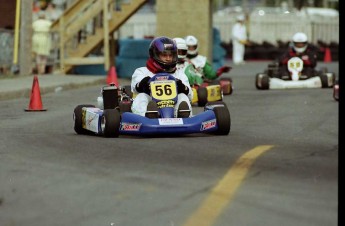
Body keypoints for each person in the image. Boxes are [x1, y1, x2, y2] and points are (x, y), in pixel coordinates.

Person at [131, 36, 193, 118]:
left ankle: (183, 117)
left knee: (183, 96)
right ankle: (147, 117)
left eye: (170, 55)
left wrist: (181, 87)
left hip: (172, 108)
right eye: (164, 55)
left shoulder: (179, 74)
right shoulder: (142, 71)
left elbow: (190, 96)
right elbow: (135, 89)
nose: (168, 59)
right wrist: (144, 83)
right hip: (152, 105)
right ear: (155, 55)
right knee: (142, 96)